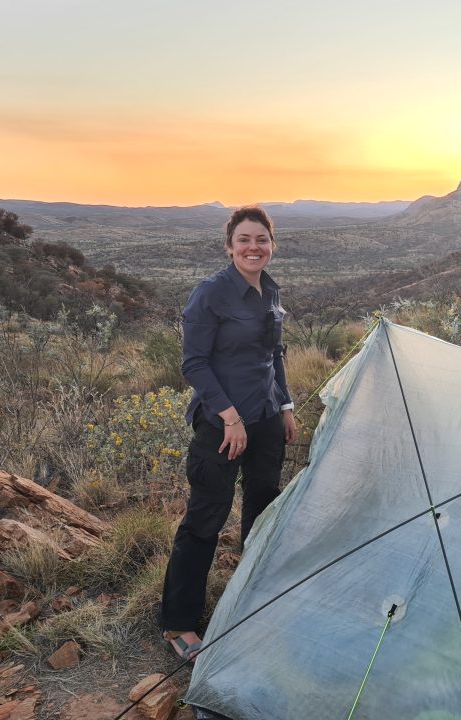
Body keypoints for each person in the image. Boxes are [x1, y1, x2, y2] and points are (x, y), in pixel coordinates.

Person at [159, 205, 297, 660]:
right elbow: (194, 364)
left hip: (267, 417)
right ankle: (178, 623)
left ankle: (253, 595)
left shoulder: (270, 291)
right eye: (244, 240)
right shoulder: (211, 293)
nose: (253, 247)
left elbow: (275, 354)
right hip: (222, 425)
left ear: (272, 245)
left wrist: (286, 405)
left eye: (261, 239)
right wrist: (231, 417)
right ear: (229, 246)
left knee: (263, 509)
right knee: (206, 518)